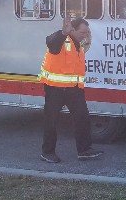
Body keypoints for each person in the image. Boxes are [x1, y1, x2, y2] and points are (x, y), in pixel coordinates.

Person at [38, 17, 103, 163]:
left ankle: (84, 150)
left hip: (73, 89)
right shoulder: (60, 39)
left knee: (83, 118)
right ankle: (47, 152)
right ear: (72, 29)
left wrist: (87, 41)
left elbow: (75, 61)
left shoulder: (77, 43)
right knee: (51, 121)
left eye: (87, 32)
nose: (84, 35)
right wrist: (62, 33)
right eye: (82, 32)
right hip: (55, 88)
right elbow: (51, 43)